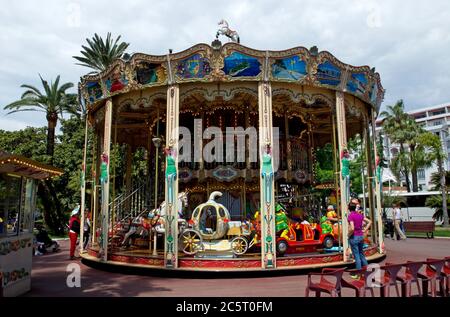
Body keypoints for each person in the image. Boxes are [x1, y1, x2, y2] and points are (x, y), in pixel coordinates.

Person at [347, 202, 372, 278]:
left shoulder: (350, 215)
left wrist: (348, 234)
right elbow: (370, 222)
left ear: (349, 208)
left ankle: (358, 273)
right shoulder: (360, 215)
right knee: (361, 254)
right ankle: (368, 272)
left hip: (354, 237)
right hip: (361, 236)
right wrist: (365, 230)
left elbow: (352, 228)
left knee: (356, 256)